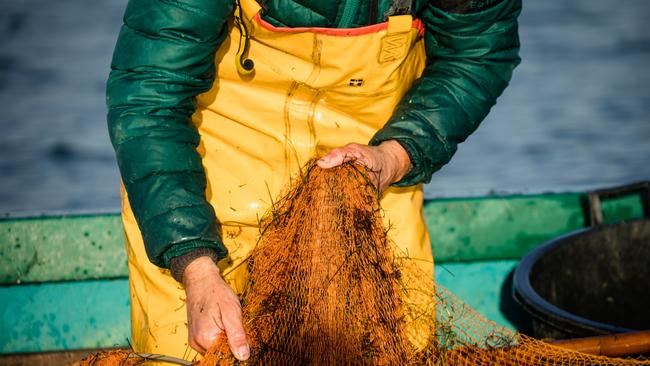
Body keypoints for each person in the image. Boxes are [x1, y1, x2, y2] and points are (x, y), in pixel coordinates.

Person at [107, 0, 521, 363]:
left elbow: (477, 55)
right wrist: (195, 267)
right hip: (204, 190)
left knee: (394, 349)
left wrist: (394, 157)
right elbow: (150, 97)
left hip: (370, 181)